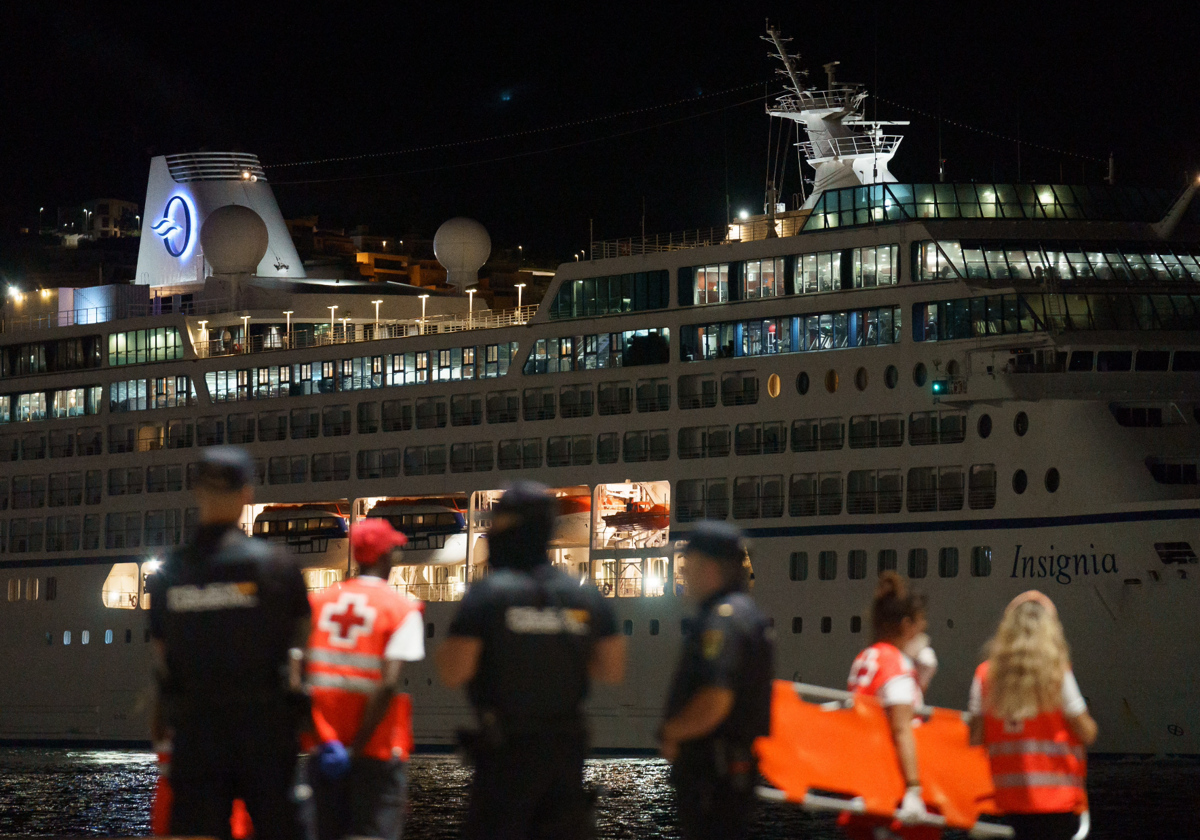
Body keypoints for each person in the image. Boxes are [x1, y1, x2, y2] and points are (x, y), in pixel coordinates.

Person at [436, 481, 626, 840]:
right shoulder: (584, 596)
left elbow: (453, 670)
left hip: (506, 760)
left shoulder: (488, 595)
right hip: (565, 762)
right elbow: (611, 670)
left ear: (509, 528)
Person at [146, 446, 311, 840]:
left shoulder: (169, 573)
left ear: (196, 491)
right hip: (266, 731)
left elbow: (163, 659)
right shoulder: (277, 565)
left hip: (198, 732)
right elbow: (302, 648)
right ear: (247, 493)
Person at [306, 517, 425, 840]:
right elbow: (387, 685)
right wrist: (356, 748)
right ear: (387, 557)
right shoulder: (403, 610)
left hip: (324, 752)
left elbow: (300, 676)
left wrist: (327, 742)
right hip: (374, 752)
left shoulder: (318, 603)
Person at [659, 521, 774, 840]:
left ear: (709, 567)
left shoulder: (722, 621)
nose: (682, 574)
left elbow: (716, 698)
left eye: (687, 563)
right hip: (730, 768)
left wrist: (671, 731)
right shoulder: (746, 615)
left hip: (713, 773)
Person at [969, 591, 1098, 840]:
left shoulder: (984, 676)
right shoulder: (1057, 673)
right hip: (1057, 797)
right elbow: (1086, 731)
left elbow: (976, 737)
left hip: (1010, 798)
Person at [843, 571, 937, 838]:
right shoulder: (894, 666)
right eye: (921, 624)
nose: (923, 631)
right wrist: (914, 788)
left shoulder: (866, 657)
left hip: (864, 783)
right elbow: (901, 728)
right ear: (907, 626)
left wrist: (919, 681)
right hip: (890, 788)